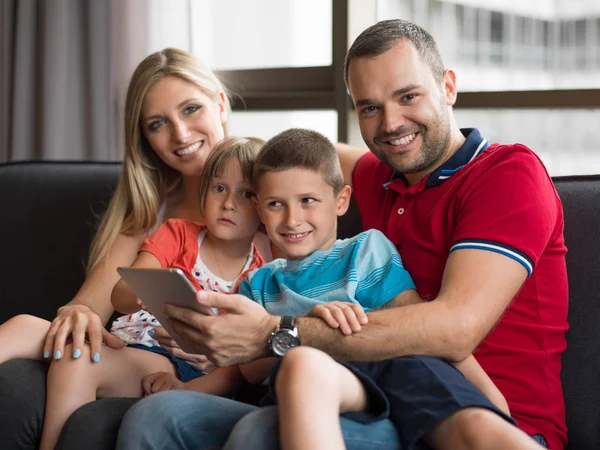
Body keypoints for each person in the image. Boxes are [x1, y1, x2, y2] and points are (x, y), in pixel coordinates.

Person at [117, 19, 567, 450]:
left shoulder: (507, 174)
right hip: (367, 391)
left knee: (262, 433)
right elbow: (297, 161)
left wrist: (277, 332)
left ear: (447, 87)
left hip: (489, 418)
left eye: (408, 96)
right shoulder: (382, 177)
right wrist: (204, 154)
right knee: (156, 418)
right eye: (369, 107)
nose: (391, 123)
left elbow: (455, 330)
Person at [0, 48, 271, 450]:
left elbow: (341, 168)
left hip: (188, 364)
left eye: (191, 109)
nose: (180, 134)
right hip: (129, 346)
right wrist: (80, 313)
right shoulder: (153, 212)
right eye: (158, 123)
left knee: (78, 358)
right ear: (144, 138)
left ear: (220, 104)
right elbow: (93, 305)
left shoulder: (273, 186)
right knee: (27, 326)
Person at [238, 127, 545, 450]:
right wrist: (306, 329)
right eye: (275, 204)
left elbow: (422, 327)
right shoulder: (258, 283)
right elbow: (248, 366)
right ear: (259, 209)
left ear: (341, 201)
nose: (292, 219)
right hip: (313, 389)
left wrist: (493, 399)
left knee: (475, 424)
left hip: (386, 375)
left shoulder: (364, 251)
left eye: (307, 201)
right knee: (300, 367)